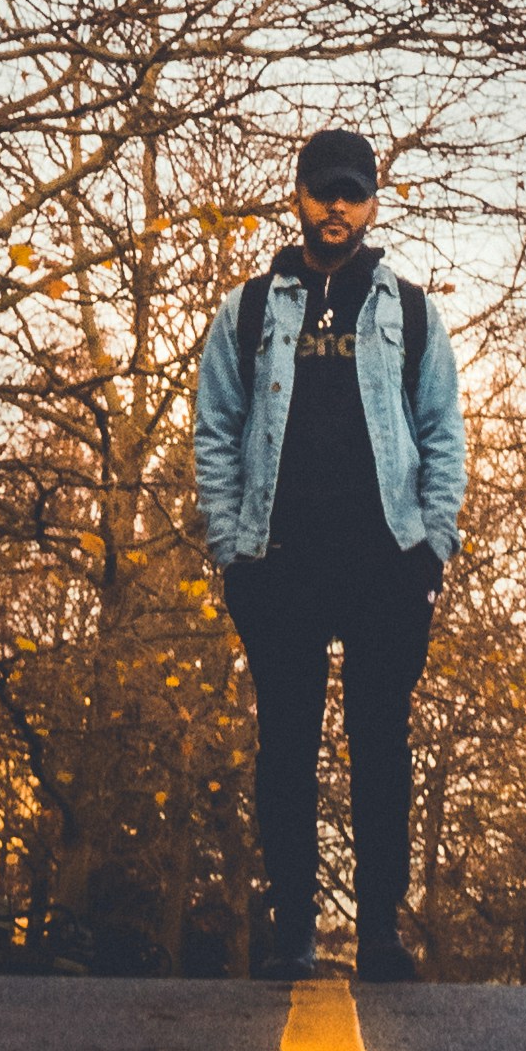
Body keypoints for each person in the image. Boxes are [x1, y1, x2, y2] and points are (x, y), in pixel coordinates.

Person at [190, 127, 465, 985]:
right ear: (300, 197)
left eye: (352, 193)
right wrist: (233, 551)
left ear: (373, 203)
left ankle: (379, 930)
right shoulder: (245, 311)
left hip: (386, 560)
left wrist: (433, 550)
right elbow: (217, 434)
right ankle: (293, 935)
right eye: (323, 192)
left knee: (382, 742)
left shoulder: (412, 313)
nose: (336, 207)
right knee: (286, 748)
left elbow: (442, 436)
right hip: (282, 561)